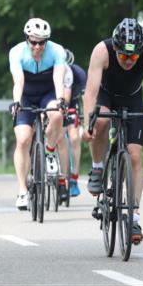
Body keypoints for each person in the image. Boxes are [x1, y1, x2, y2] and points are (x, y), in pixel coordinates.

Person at [82, 18, 143, 245]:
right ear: (116, 49)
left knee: (136, 156)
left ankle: (134, 217)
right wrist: (87, 125)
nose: (129, 61)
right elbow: (90, 94)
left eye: (133, 56)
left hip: (133, 99)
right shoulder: (102, 50)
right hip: (106, 95)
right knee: (100, 122)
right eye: (123, 56)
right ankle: (98, 168)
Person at [8, 18, 68, 210]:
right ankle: (22, 190)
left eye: (42, 42)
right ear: (27, 39)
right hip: (25, 94)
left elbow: (58, 78)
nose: (38, 46)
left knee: (57, 115)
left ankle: (49, 152)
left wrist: (60, 101)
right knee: (23, 140)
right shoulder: (17, 52)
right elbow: (18, 81)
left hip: (47, 93)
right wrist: (16, 102)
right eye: (33, 42)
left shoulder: (57, 51)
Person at [62, 49, 87, 197]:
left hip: (72, 104)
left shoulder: (78, 72)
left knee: (74, 138)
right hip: (55, 102)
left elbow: (85, 96)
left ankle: (74, 178)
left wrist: (87, 116)